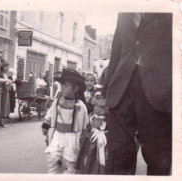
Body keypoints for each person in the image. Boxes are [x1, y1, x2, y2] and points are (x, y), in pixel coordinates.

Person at [102, 13, 172, 175]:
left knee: (158, 161)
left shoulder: (170, 10)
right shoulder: (123, 13)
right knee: (118, 158)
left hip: (158, 95)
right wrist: (104, 92)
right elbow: (116, 54)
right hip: (121, 94)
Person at [41, 68, 89, 174]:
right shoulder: (57, 101)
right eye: (61, 85)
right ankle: (53, 175)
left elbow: (86, 123)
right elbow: (50, 112)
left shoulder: (80, 106)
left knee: (70, 162)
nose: (62, 88)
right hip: (58, 135)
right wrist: (46, 124)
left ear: (75, 88)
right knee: (52, 156)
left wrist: (86, 135)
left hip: (72, 137)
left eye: (66, 86)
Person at [0, 62, 11, 127]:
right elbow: (0, 82)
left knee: (4, 107)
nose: (8, 68)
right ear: (3, 67)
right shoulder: (0, 74)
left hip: (6, 91)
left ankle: (1, 121)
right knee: (2, 106)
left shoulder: (5, 74)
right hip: (2, 92)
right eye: (7, 67)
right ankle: (0, 121)